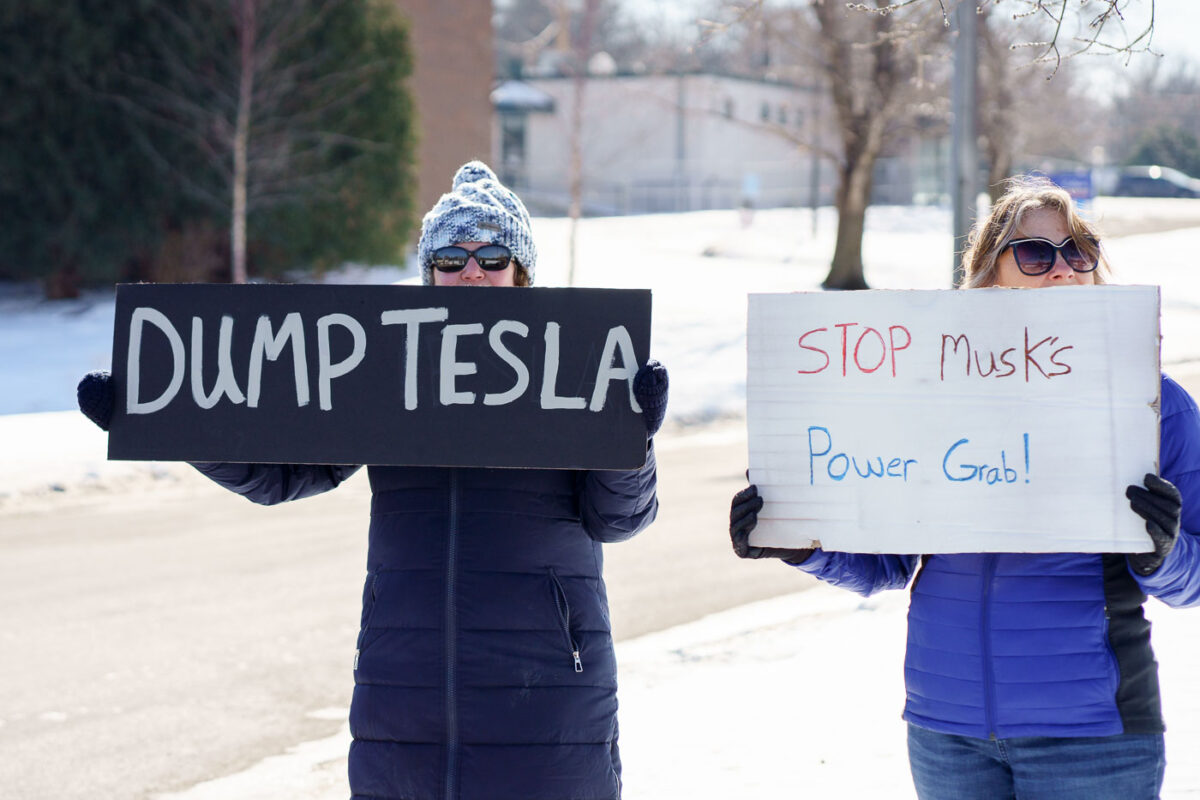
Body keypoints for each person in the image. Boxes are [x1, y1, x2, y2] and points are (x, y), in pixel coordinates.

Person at [78, 161, 669, 800]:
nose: (472, 269)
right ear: (429, 271)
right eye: (450, 256)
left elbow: (620, 518)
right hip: (404, 699)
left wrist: (629, 435)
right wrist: (170, 422)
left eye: (494, 254)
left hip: (547, 702)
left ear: (521, 271)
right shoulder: (389, 369)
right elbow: (281, 475)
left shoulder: (573, 369)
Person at [728, 176, 1200, 800]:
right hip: (945, 731)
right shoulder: (929, 394)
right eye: (1036, 252)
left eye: (1078, 249)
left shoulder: (1151, 404)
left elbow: (1194, 579)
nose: (1062, 269)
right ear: (986, 274)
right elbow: (888, 564)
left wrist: (1161, 553)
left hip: (1092, 737)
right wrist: (800, 540)